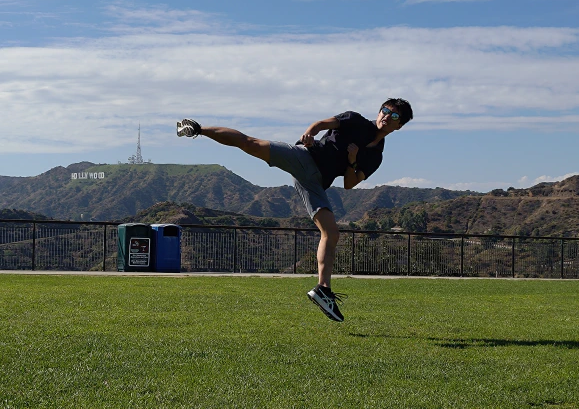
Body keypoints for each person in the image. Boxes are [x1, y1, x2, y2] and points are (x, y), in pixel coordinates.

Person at [176, 98, 413, 322]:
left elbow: (350, 184)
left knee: (332, 233)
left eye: (394, 115)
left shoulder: (376, 155)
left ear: (399, 125)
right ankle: (197, 129)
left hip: (316, 182)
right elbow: (321, 124)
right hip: (305, 157)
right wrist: (310, 132)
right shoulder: (355, 120)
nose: (386, 116)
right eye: (385, 109)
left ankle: (323, 290)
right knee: (251, 143)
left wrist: (353, 159)